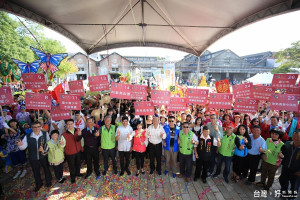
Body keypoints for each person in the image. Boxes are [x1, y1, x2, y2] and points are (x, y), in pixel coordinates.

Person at [17, 121, 52, 192]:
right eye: (35, 127)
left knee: (46, 169)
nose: (37, 128)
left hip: (43, 156)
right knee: (36, 171)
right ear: (31, 128)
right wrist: (20, 145)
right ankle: (39, 183)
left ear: (40, 127)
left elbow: (48, 145)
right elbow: (23, 147)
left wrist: (44, 150)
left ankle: (48, 182)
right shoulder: (28, 136)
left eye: (38, 127)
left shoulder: (45, 134)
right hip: (33, 157)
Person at [60, 119, 83, 184]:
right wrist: (62, 144)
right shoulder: (64, 134)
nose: (70, 125)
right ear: (66, 126)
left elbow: (80, 140)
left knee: (78, 164)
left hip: (78, 151)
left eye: (71, 124)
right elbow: (62, 145)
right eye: (68, 124)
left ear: (73, 124)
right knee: (71, 166)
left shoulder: (78, 130)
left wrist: (79, 135)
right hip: (70, 153)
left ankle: (78, 173)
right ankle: (73, 177)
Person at [279, 129, 300, 199]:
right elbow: (282, 152)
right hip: (286, 168)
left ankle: (291, 198)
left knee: (294, 186)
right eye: (294, 136)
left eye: (298, 136)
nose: (296, 138)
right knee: (283, 181)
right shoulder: (288, 144)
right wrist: (280, 155)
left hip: (296, 171)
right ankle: (284, 193)